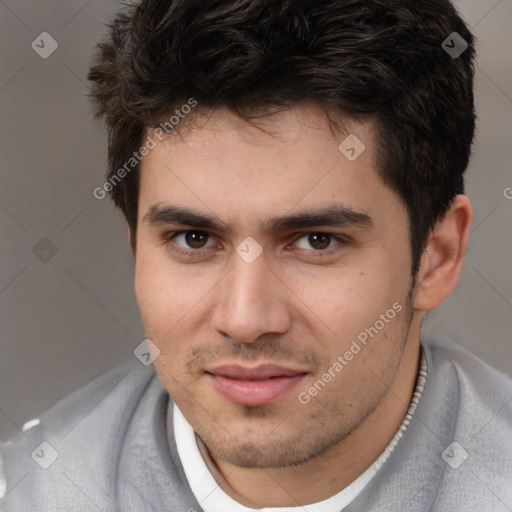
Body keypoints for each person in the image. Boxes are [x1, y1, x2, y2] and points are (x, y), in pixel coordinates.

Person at [1, 0, 511, 510]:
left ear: (437, 256)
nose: (245, 320)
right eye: (193, 239)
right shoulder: (31, 490)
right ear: (136, 247)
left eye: (316, 241)